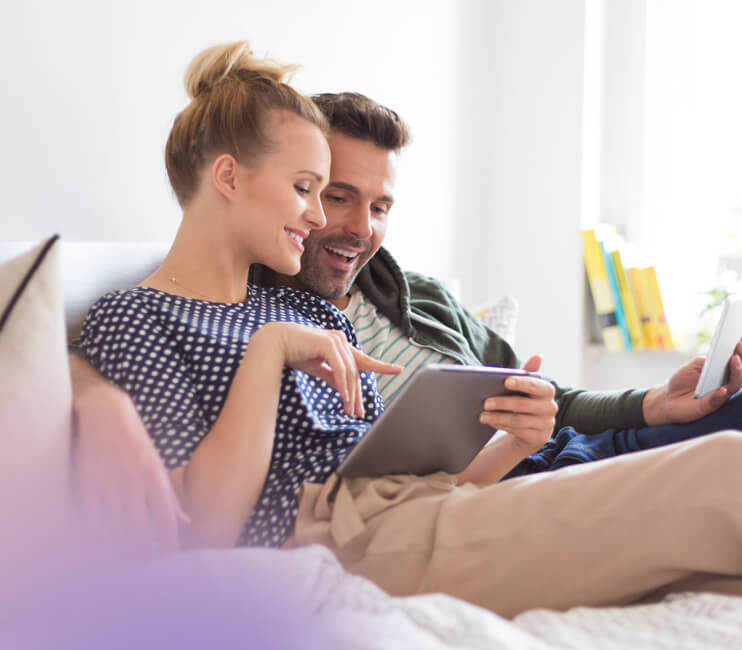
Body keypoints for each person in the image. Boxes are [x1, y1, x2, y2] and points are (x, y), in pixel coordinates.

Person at [77, 40, 742, 618]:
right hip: (337, 546)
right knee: (724, 471)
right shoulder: (137, 316)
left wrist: (513, 443)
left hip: (418, 519)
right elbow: (207, 531)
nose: (317, 216)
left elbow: (420, 491)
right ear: (228, 176)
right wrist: (265, 353)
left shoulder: (310, 310)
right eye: (311, 188)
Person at [252, 91, 742, 477]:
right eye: (339, 197)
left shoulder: (422, 297)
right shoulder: (258, 331)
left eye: (380, 208)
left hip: (570, 451)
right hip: (514, 487)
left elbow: (549, 400)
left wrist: (653, 403)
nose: (363, 228)